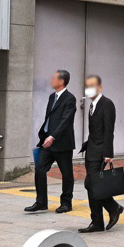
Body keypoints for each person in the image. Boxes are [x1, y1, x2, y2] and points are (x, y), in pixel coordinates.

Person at [25, 70, 77, 213]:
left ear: (61, 81)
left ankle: (66, 203)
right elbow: (49, 119)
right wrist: (45, 135)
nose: (51, 80)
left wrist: (53, 136)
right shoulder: (51, 97)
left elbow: (65, 120)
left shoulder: (70, 99)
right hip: (47, 142)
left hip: (62, 143)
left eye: (54, 78)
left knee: (66, 174)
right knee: (40, 169)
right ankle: (41, 202)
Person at [78, 76, 124, 233]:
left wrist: (108, 154)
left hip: (100, 152)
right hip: (91, 150)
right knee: (91, 184)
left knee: (92, 184)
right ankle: (101, 218)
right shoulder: (92, 105)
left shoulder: (107, 104)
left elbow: (109, 130)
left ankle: (110, 210)